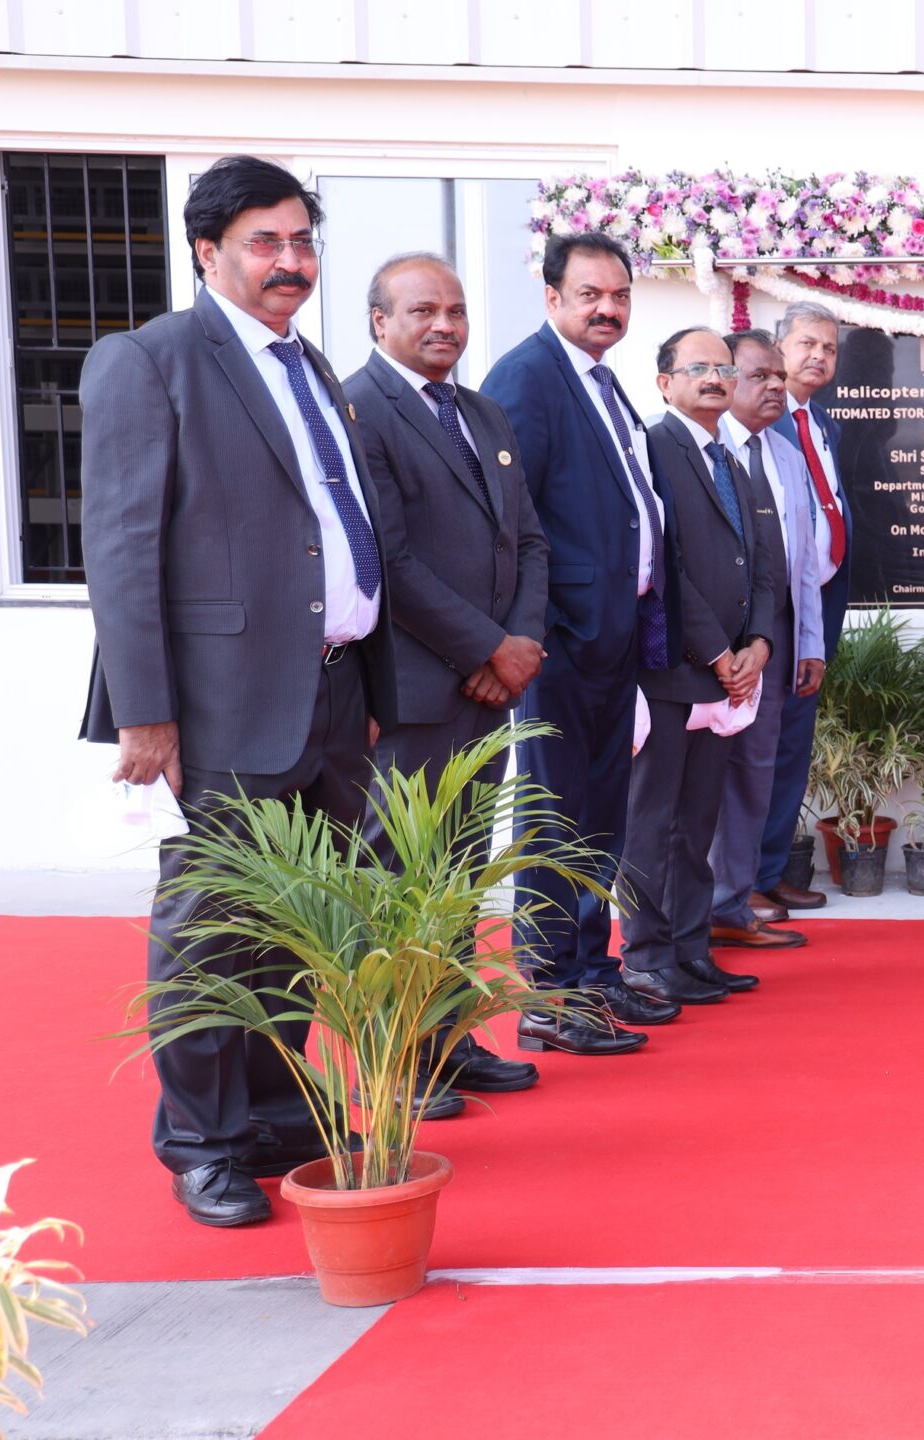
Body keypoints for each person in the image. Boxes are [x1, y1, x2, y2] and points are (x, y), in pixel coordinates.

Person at [79, 155, 402, 1226]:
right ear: (208, 251)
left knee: (294, 923)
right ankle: (203, 1144)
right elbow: (123, 549)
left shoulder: (311, 368)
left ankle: (274, 1111)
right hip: (216, 703)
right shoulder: (151, 361)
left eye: (302, 240)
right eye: (265, 242)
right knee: (211, 928)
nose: (290, 261)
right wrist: (145, 713)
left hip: (327, 692)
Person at [346, 251, 548, 1100]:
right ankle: (398, 1063)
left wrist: (522, 644)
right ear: (379, 322)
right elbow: (386, 558)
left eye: (457, 311)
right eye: (423, 310)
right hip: (417, 689)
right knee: (401, 879)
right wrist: (484, 649)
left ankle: (451, 1040)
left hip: (490, 687)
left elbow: (530, 541)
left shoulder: (484, 413)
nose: (445, 326)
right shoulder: (359, 409)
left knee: (463, 871)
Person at [481, 231, 675, 1055]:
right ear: (552, 298)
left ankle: (591, 973)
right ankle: (551, 996)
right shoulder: (528, 378)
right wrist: (531, 633)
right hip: (558, 645)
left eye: (620, 295)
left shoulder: (603, 383)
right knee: (555, 820)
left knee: (599, 820)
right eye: (590, 293)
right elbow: (510, 520)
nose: (607, 308)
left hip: (612, 640)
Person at [618, 329, 784, 1008]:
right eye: (699, 368)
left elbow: (763, 566)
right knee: (650, 823)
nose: (716, 378)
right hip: (673, 670)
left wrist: (760, 647)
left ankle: (690, 950)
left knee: (698, 822)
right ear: (665, 383)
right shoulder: (655, 449)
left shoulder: (732, 458)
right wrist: (719, 653)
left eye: (723, 367)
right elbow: (666, 566)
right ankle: (646, 957)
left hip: (728, 676)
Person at [706, 328, 821, 951]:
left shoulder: (786, 455)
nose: (777, 386)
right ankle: (690, 906)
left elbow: (802, 564)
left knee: (756, 770)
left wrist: (809, 644)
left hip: (771, 641)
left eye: (780, 376)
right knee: (698, 780)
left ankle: (733, 899)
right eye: (760, 376)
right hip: (711, 645)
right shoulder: (695, 445)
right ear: (723, 378)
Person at [749, 300, 850, 918]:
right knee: (754, 752)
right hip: (769, 612)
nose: (818, 356)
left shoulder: (823, 423)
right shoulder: (760, 419)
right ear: (778, 348)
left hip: (814, 608)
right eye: (807, 344)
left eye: (830, 349)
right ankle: (742, 883)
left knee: (791, 748)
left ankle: (769, 869)